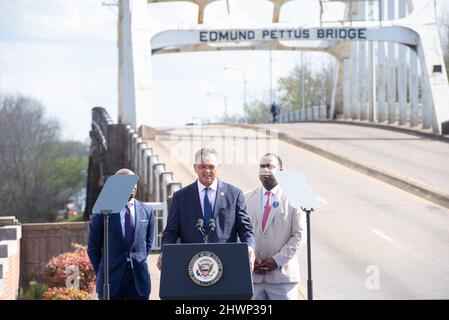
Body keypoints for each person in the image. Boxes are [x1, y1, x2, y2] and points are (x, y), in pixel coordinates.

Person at [157, 148, 255, 270]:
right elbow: (171, 232)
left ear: (218, 167)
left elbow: (245, 228)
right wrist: (165, 250)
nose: (207, 171)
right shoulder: (181, 197)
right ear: (195, 168)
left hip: (226, 264)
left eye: (211, 167)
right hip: (192, 264)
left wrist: (250, 247)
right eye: (202, 166)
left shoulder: (234, 194)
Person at [244, 153, 306, 300]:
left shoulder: (293, 199)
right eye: (262, 166)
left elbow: (299, 235)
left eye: (270, 166)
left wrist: (277, 260)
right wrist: (249, 260)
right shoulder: (246, 198)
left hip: (282, 279)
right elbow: (240, 233)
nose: (266, 170)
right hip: (253, 278)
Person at [87, 168, 155, 300]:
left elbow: (147, 244)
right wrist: (102, 272)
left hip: (139, 281)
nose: (133, 186)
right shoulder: (103, 211)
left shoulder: (146, 210)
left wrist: (136, 260)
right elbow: (93, 248)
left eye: (134, 181)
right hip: (111, 280)